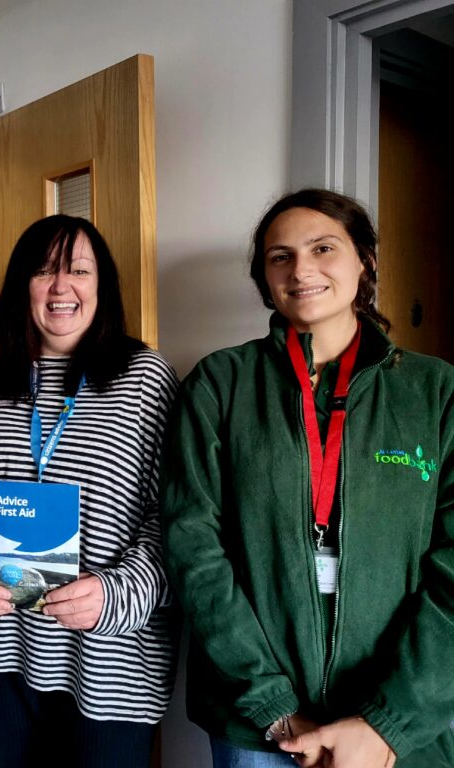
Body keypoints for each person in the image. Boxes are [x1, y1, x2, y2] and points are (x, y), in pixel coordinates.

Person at [160, 189, 454, 768]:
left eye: (324, 248)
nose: (302, 270)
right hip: (259, 724)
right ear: (264, 277)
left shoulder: (436, 392)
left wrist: (386, 722)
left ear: (365, 260)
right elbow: (194, 549)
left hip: (401, 729)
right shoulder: (220, 384)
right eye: (280, 256)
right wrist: (274, 705)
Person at [0, 215, 179, 767]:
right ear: (24, 287)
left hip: (110, 667)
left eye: (79, 271)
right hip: (6, 654)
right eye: (44, 271)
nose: (61, 286)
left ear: (102, 287)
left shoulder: (146, 377)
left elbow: (180, 517)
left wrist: (113, 594)